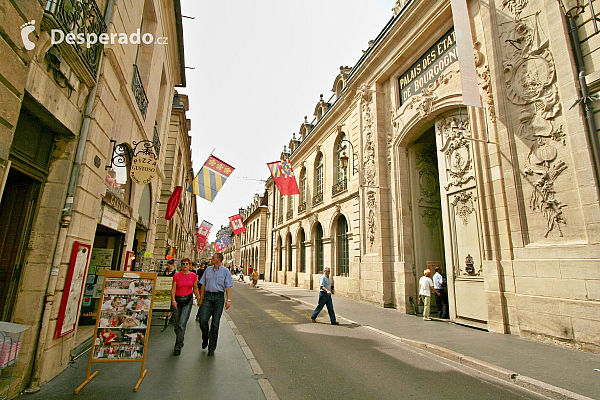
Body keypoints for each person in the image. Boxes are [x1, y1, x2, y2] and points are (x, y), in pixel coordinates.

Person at [198, 252, 233, 356]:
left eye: (213, 257)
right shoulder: (208, 270)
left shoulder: (225, 271)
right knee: (203, 319)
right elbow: (203, 285)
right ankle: (205, 336)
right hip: (208, 297)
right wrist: (200, 299)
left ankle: (211, 347)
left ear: (218, 259)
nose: (211, 259)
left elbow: (228, 286)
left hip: (219, 298)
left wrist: (228, 300)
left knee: (215, 323)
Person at [171, 258, 200, 355]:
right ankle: (180, 338)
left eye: (187, 264)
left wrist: (199, 299)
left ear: (190, 265)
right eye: (183, 264)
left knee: (182, 323)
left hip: (187, 300)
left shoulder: (193, 275)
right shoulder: (176, 275)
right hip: (177, 300)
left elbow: (195, 288)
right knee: (176, 324)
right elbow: (173, 288)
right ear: (181, 265)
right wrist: (173, 300)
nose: (185, 265)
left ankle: (177, 346)